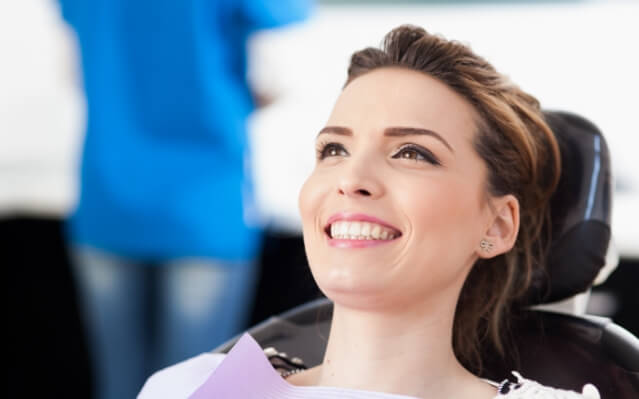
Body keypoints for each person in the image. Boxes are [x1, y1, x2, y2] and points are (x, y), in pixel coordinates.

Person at [138, 25, 601, 398]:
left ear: (497, 225)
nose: (350, 179)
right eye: (334, 149)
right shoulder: (185, 387)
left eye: (412, 153)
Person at [56, 1, 312, 399]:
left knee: (119, 384)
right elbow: (279, 58)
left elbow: (74, 71)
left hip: (109, 194)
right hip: (206, 204)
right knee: (196, 390)